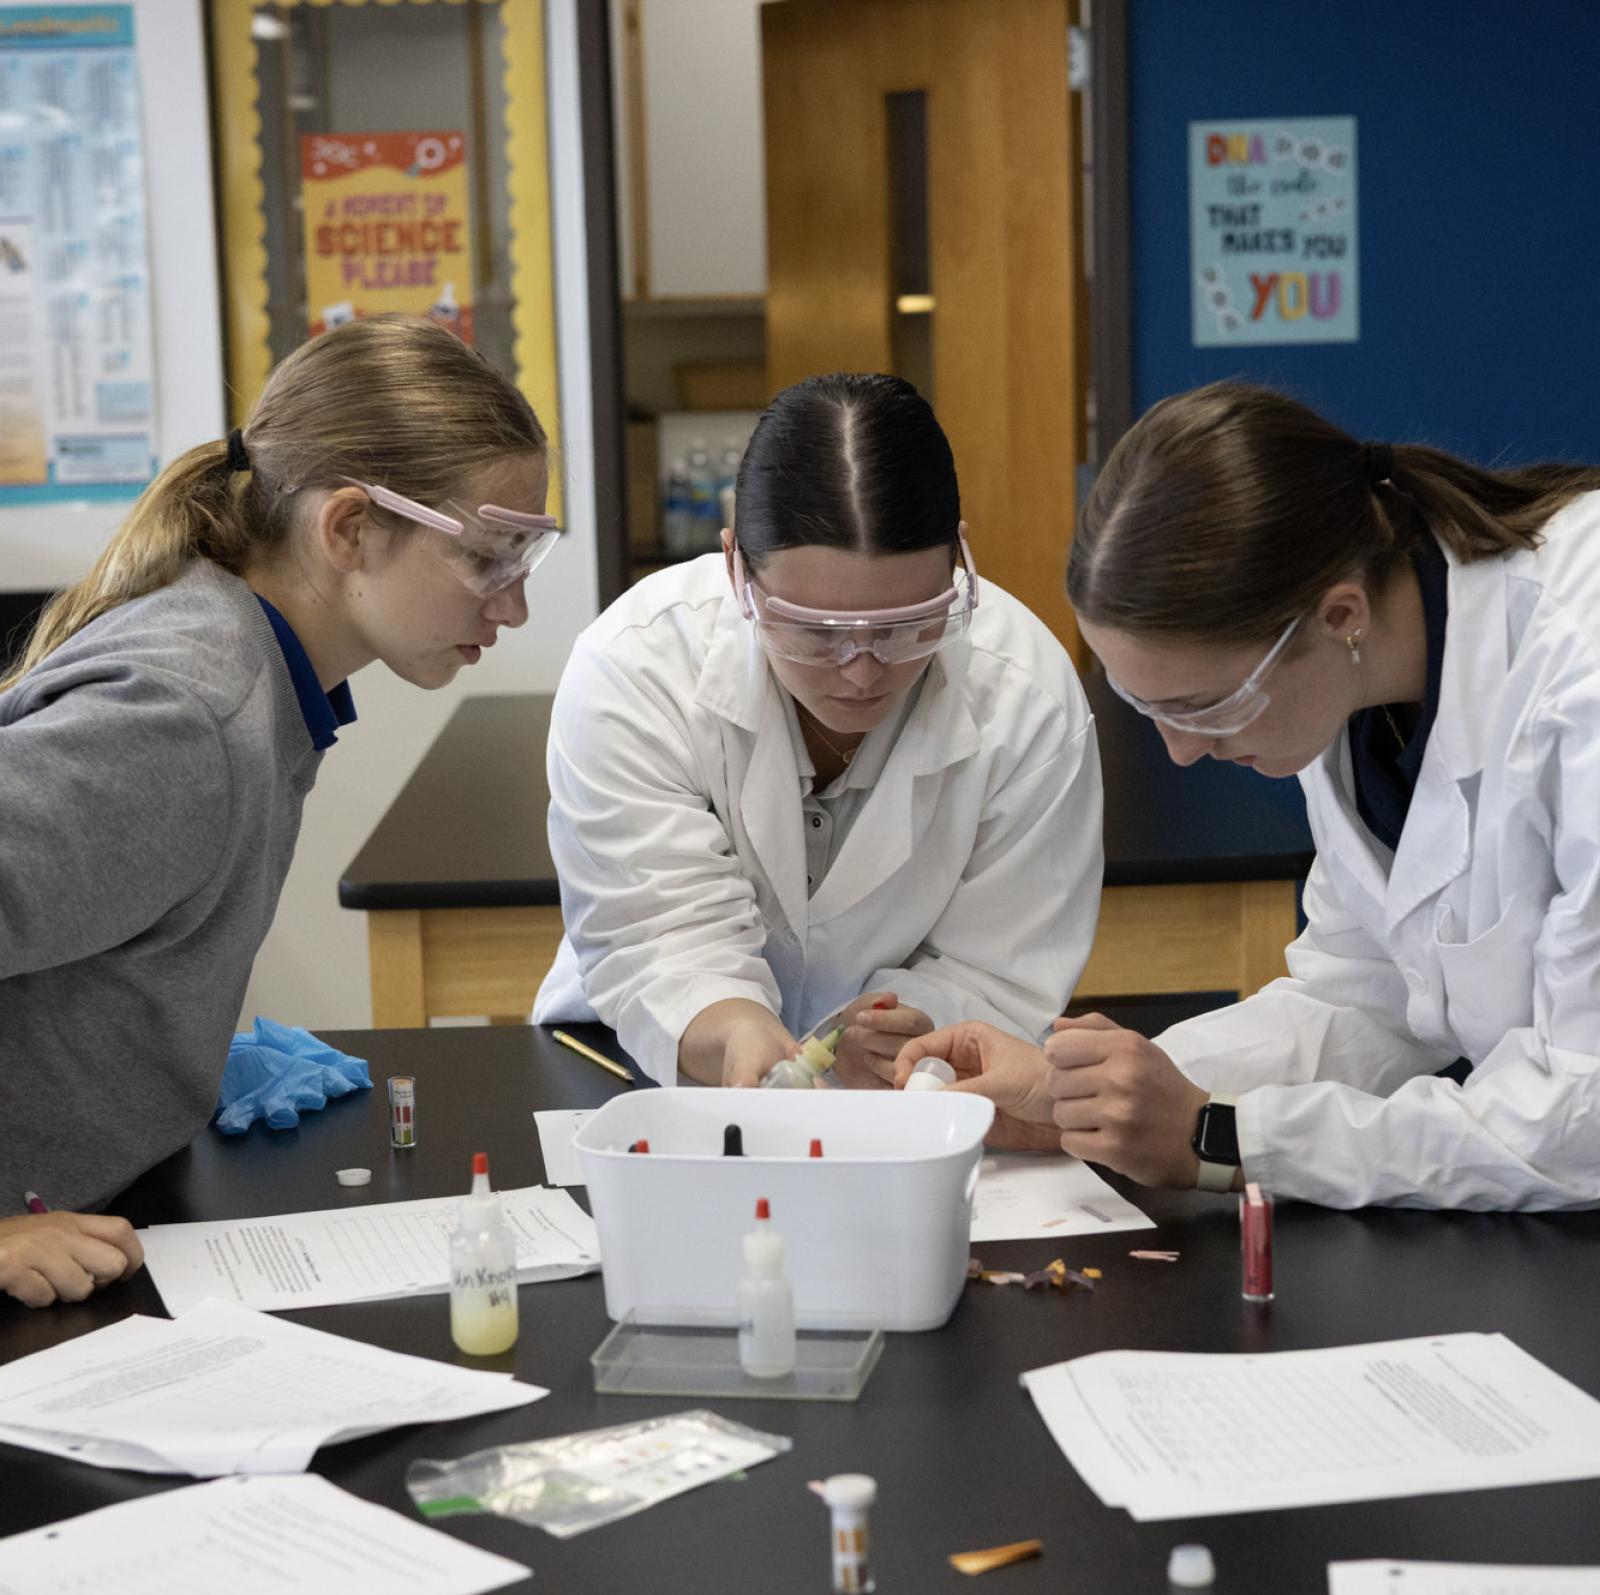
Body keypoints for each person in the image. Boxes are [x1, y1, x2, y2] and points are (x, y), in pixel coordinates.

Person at [896, 380, 1600, 1211]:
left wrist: (1218, 1137)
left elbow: (1579, 1119)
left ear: (1339, 615)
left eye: (1202, 706)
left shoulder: (1576, 669)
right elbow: (1364, 999)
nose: (1181, 751)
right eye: (1143, 705)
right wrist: (1078, 1100)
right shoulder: (1343, 675)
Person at [0, 313, 557, 1301]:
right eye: (487, 557)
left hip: (100, 1206)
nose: (511, 606)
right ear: (347, 527)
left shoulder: (245, 671)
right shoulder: (186, 716)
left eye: (527, 557)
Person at [536, 373, 1102, 1087]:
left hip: (911, 1097)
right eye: (813, 631)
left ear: (959, 563)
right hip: (641, 1062)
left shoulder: (1026, 699)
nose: (861, 672)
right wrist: (734, 1028)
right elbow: (659, 937)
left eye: (905, 627)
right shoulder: (637, 668)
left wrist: (916, 1031)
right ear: (737, 566)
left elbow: (1003, 963)